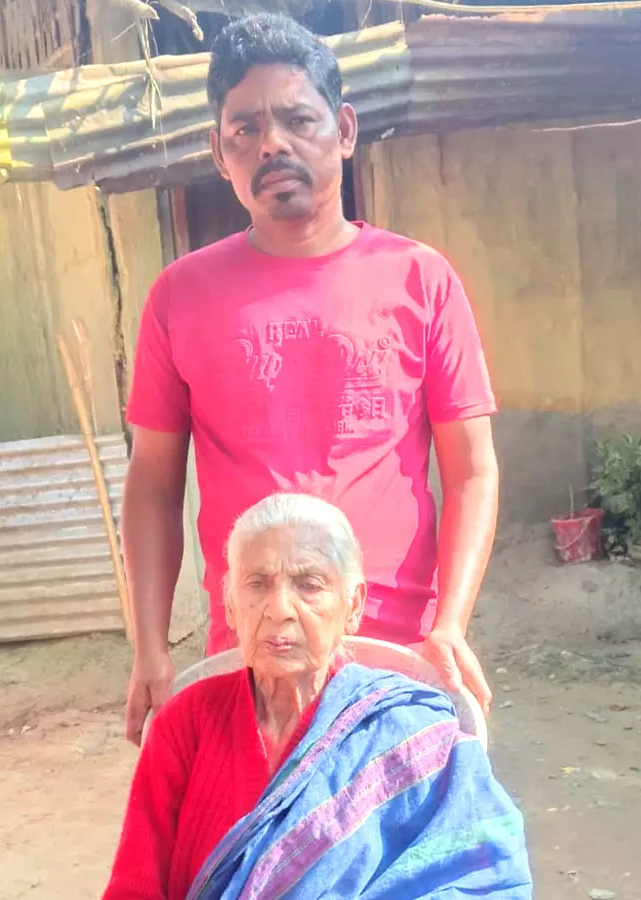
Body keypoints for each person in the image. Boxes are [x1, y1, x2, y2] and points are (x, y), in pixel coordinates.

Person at [121, 12, 500, 745]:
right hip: (250, 659)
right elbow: (154, 483)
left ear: (346, 131)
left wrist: (450, 625)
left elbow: (473, 470)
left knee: (399, 857)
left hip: (397, 658)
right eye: (245, 129)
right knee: (256, 860)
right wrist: (149, 646)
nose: (272, 144)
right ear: (218, 150)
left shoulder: (420, 280)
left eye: (298, 118)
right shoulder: (180, 296)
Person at [102, 494, 531, 900]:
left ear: (353, 606)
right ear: (230, 604)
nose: (280, 608)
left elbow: (478, 876)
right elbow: (134, 886)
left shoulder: (409, 731)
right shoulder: (186, 723)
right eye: (257, 584)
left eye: (308, 584)